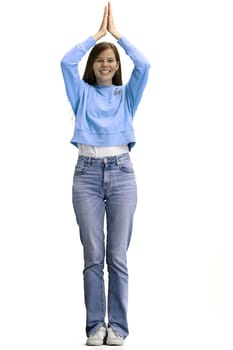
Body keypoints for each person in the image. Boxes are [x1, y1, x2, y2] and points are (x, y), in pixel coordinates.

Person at [60, 1, 150, 346]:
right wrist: (96, 36)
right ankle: (96, 327)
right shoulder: (81, 95)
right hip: (86, 175)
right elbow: (66, 61)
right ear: (92, 65)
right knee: (93, 256)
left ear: (116, 66)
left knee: (117, 256)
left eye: (110, 60)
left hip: (122, 174)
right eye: (100, 59)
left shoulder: (126, 96)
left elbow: (144, 64)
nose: (105, 64)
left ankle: (120, 329)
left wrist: (119, 36)